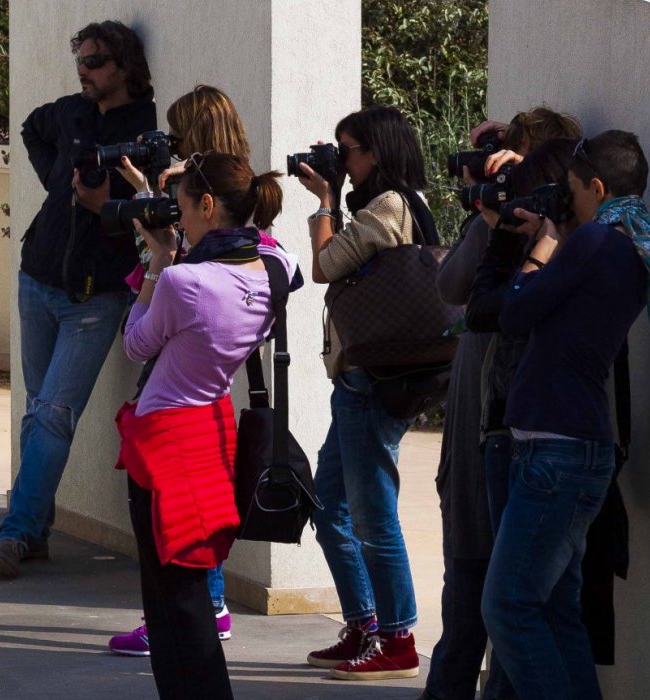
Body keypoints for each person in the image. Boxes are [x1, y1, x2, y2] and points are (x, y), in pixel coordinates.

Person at [116, 152, 295, 699]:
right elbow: (269, 248)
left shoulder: (184, 282)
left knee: (174, 603)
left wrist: (157, 260)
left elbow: (135, 342)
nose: (180, 217)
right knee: (188, 589)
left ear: (209, 204)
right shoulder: (276, 270)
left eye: (186, 206)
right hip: (213, 435)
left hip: (165, 442)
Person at [480, 131, 650, 699]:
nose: (566, 199)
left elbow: (516, 312)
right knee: (555, 611)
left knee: (507, 606)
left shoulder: (595, 242)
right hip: (577, 449)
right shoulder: (626, 246)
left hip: (554, 451)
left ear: (597, 189)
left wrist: (541, 246)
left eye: (573, 190)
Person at [0, 21, 155, 578]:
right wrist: (60, 182)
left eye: (95, 61)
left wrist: (107, 205)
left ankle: (15, 532)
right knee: (39, 415)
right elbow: (32, 130)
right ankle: (33, 529)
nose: (84, 70)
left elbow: (148, 222)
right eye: (80, 60)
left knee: (53, 414)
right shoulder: (67, 112)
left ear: (124, 66)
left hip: (95, 297)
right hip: (37, 280)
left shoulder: (145, 130)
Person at [422, 110, 580, 700]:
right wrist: (488, 219)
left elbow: (512, 304)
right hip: (473, 419)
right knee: (465, 584)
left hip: (516, 426)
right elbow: (450, 287)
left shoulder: (565, 239)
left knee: (512, 598)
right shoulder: (496, 223)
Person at [107, 83, 252, 656]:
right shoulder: (235, 192)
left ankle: (190, 609)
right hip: (205, 364)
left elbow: (175, 271)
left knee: (171, 496)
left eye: (177, 134)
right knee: (200, 492)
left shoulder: (207, 199)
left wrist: (157, 229)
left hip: (177, 356)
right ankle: (202, 605)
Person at [295, 105, 431, 681]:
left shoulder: (393, 205)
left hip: (373, 382)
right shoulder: (397, 204)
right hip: (358, 381)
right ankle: (363, 624)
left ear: (375, 153)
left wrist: (324, 201)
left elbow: (325, 265)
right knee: (329, 508)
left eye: (349, 150)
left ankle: (397, 639)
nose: (343, 162)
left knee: (372, 515)